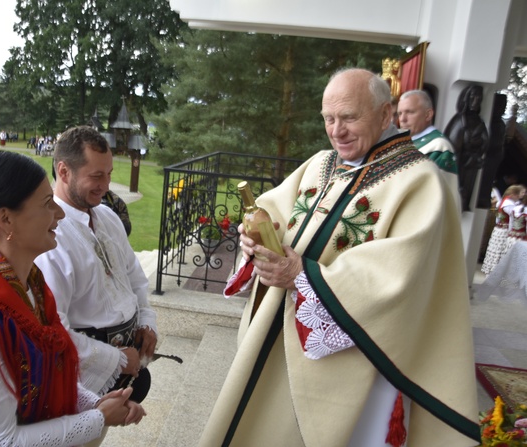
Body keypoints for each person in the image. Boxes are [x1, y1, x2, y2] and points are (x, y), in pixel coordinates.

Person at [199, 69, 479, 447]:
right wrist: (253, 240)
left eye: (349, 117)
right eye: (328, 119)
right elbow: (273, 209)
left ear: (385, 115)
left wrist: (302, 273)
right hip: (279, 328)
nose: (337, 130)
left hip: (353, 360)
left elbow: (399, 275)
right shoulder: (321, 164)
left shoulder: (420, 180)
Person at [0, 150, 145, 446]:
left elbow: (47, 371)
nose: (60, 213)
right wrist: (98, 418)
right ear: (5, 218)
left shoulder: (29, 285)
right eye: (46, 203)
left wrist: (94, 402)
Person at [35, 126, 157, 405]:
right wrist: (115, 359)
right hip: (85, 375)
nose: (106, 185)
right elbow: (53, 328)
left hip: (130, 359)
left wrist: (148, 322)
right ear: (64, 172)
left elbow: (134, 278)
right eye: (96, 176)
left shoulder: (108, 217)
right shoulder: (49, 237)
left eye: (110, 174)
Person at [398, 89, 460, 209]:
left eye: (409, 112)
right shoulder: (402, 143)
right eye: (400, 113)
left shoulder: (438, 147)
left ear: (428, 114)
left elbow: (433, 197)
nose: (402, 119)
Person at [481, 184, 526, 274]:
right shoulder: (509, 204)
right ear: (513, 194)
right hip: (504, 231)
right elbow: (513, 221)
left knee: (497, 251)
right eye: (521, 193)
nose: (523, 195)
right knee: (499, 251)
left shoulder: (502, 202)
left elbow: (498, 218)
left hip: (499, 228)